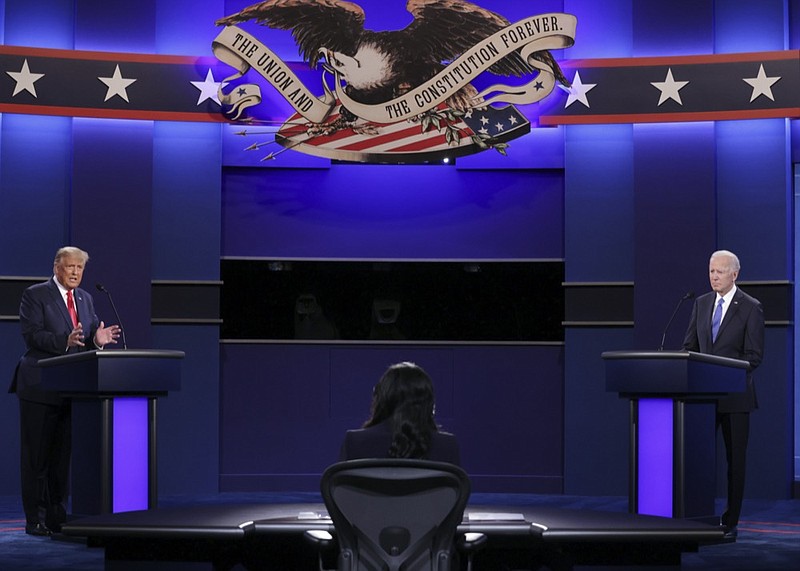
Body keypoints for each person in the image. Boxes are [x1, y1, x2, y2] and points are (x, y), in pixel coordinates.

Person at [8, 246, 121, 536]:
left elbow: (88, 336)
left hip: (71, 387)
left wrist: (97, 340)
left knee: (61, 459)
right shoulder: (35, 295)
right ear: (57, 267)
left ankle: (57, 516)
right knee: (37, 458)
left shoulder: (86, 298)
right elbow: (32, 335)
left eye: (79, 268)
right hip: (39, 385)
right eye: (70, 267)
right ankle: (36, 519)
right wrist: (65, 340)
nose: (75, 273)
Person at [681, 250, 764, 540]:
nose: (714, 276)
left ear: (734, 274)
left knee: (735, 462)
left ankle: (730, 521)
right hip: (702, 399)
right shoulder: (702, 304)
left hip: (735, 397)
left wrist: (720, 370)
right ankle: (696, 514)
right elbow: (689, 346)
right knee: (697, 459)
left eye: (719, 271)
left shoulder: (751, 307)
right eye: (711, 271)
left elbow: (754, 357)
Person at [339, 362, 460, 465]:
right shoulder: (447, 446)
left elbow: (341, 491)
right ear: (428, 402)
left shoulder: (355, 442)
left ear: (381, 399)